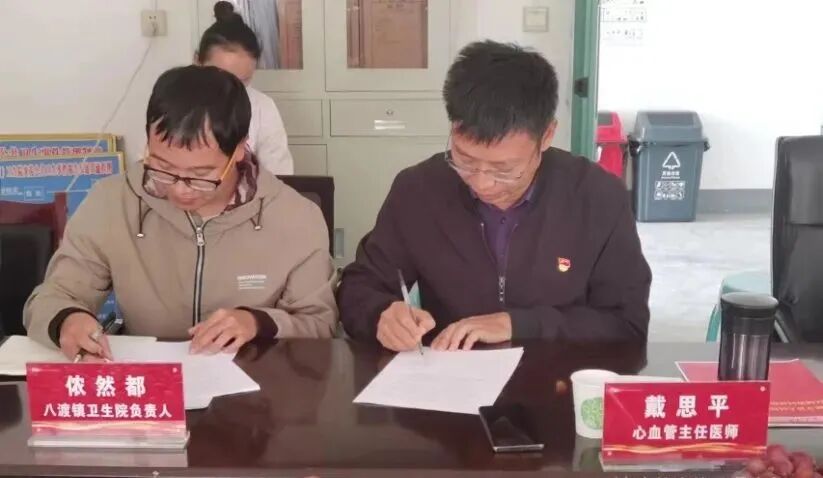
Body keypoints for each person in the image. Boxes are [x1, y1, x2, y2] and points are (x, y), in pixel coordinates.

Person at [337, 40, 651, 352]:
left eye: (504, 169)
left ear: (546, 135)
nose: (482, 183)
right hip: (452, 374)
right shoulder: (418, 190)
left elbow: (627, 324)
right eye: (464, 160)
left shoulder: (597, 197)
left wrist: (518, 325)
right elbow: (358, 287)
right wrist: (381, 315)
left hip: (559, 375)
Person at [24, 65, 337, 360]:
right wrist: (67, 319)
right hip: (147, 382)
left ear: (240, 150)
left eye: (201, 175)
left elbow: (318, 323)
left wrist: (257, 322)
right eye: (162, 168)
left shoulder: (296, 217)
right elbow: (51, 297)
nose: (180, 189)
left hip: (256, 385)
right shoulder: (112, 202)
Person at [196, 1, 294, 176]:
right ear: (198, 62)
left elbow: (279, 178)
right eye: (221, 79)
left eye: (243, 81)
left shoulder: (263, 108)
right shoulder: (174, 105)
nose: (230, 90)